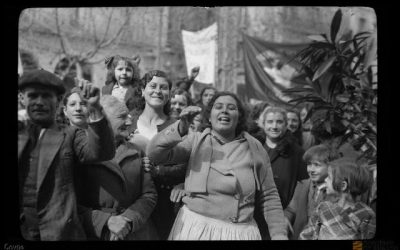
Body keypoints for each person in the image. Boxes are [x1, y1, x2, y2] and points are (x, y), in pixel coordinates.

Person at [147, 91, 288, 240]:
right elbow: (154, 153)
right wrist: (180, 128)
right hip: (195, 230)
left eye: (231, 108)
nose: (224, 111)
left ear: (239, 117)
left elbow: (269, 195)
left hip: (240, 233)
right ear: (209, 115)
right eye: (218, 107)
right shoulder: (196, 141)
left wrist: (279, 235)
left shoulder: (255, 148)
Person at [18, 69, 115, 240]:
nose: (40, 102)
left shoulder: (70, 134)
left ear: (57, 101)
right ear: (21, 98)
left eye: (47, 96)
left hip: (61, 232)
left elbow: (100, 152)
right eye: (33, 95)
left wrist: (95, 109)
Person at [69, 95, 158, 240]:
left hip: (137, 231)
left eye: (129, 116)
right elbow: (69, 202)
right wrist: (106, 221)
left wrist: (128, 220)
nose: (129, 121)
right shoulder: (80, 152)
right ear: (101, 119)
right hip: (98, 233)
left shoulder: (137, 150)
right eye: (122, 117)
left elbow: (149, 195)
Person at [127, 70, 185, 240]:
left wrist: (157, 171)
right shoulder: (127, 121)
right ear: (142, 90)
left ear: (169, 94)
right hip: (130, 201)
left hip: (165, 204)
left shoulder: (177, 126)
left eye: (163, 87)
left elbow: (186, 164)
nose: (158, 91)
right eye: (152, 86)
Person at [255, 106, 308, 239]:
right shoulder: (253, 147)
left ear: (286, 125)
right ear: (263, 124)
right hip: (253, 216)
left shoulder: (297, 152)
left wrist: (289, 213)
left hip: (282, 219)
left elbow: (303, 186)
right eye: (270, 122)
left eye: (279, 122)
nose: (274, 126)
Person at [299, 158, 376, 240]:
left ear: (343, 186)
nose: (325, 179)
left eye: (329, 177)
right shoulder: (323, 207)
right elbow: (307, 235)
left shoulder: (366, 214)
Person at [284, 144, 340, 239]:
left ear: (331, 166)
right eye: (309, 164)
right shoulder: (303, 185)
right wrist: (285, 218)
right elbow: (291, 209)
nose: (311, 170)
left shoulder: (337, 191)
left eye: (317, 165)